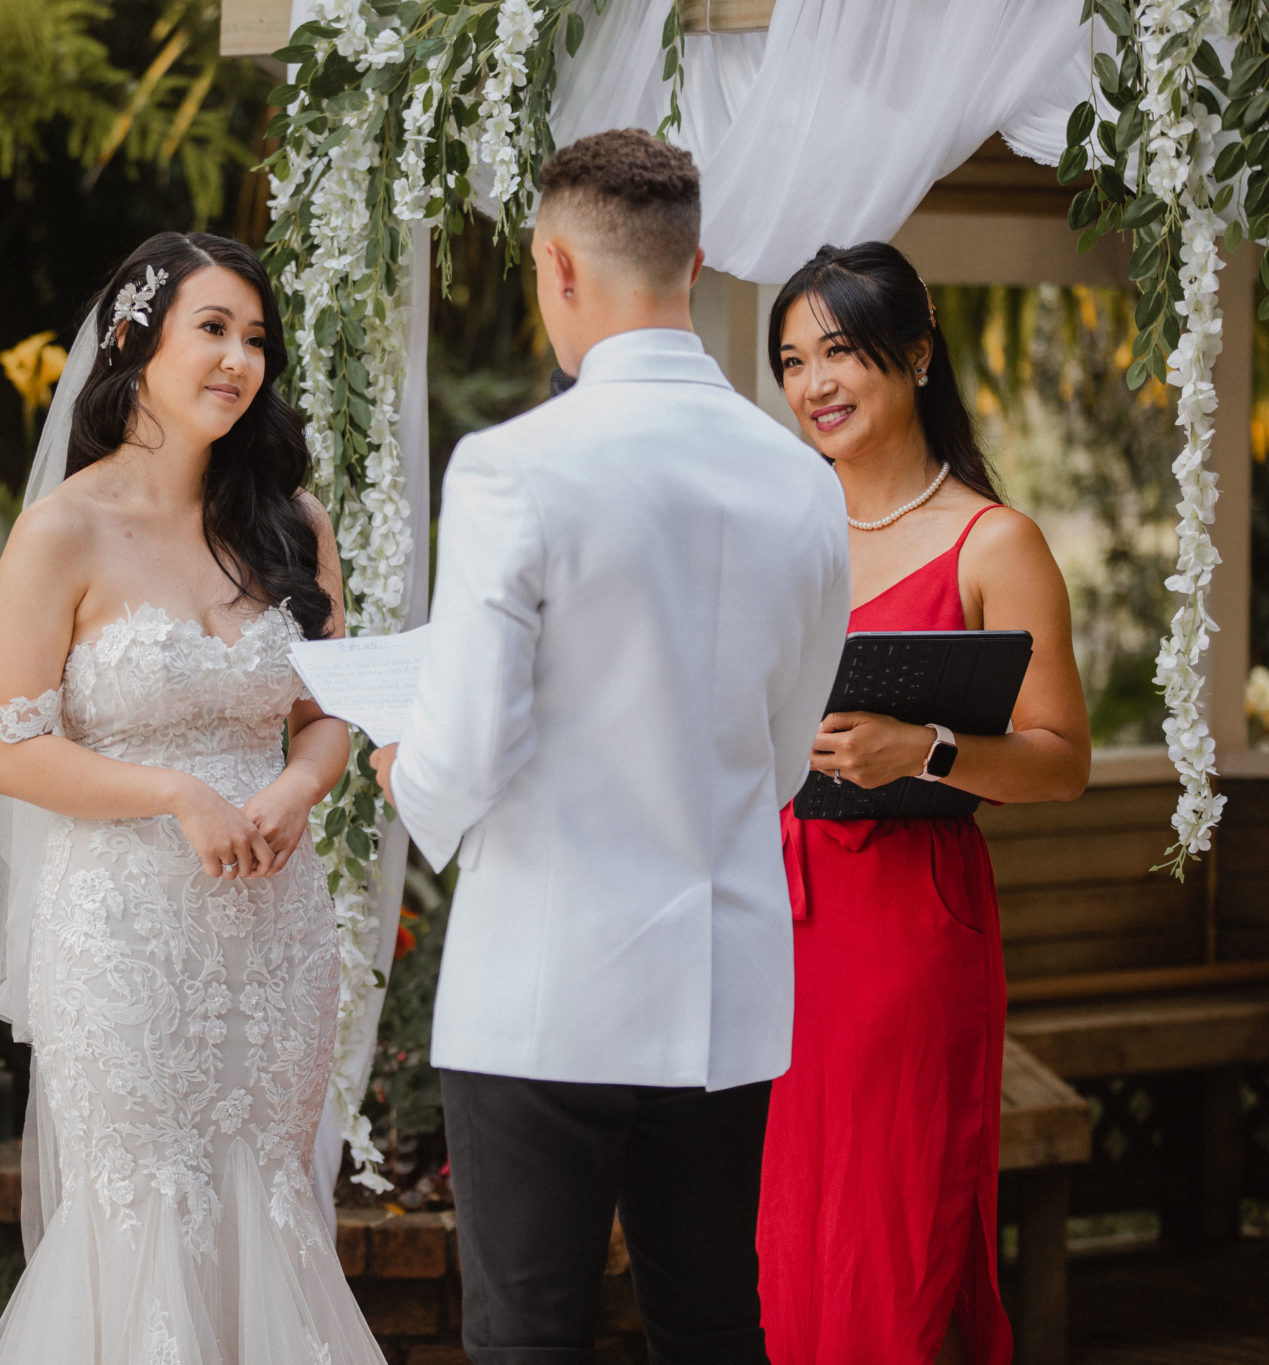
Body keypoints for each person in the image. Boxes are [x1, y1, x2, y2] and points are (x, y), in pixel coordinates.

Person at [371, 129, 849, 1364]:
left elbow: (463, 749)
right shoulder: (800, 482)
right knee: (706, 1325)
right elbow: (789, 756)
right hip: (719, 995)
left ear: (555, 266)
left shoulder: (510, 468)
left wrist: (398, 766)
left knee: (529, 1335)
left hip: (545, 989)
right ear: (690, 262)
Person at [0, 231, 382, 1363]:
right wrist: (172, 793)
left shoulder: (291, 524)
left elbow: (327, 710)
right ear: (134, 343)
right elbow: (11, 750)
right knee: (146, 1207)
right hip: (122, 931)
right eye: (212, 330)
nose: (239, 360)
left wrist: (299, 783)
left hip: (277, 927)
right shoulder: (61, 533)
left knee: (272, 1193)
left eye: (255, 340)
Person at [758, 241, 1089, 1365]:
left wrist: (924, 751)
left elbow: (1058, 760)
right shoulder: (779, 534)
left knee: (888, 1235)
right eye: (793, 361)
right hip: (770, 916)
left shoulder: (993, 542)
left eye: (839, 352)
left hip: (905, 926)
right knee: (781, 1238)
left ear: (915, 354)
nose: (814, 385)